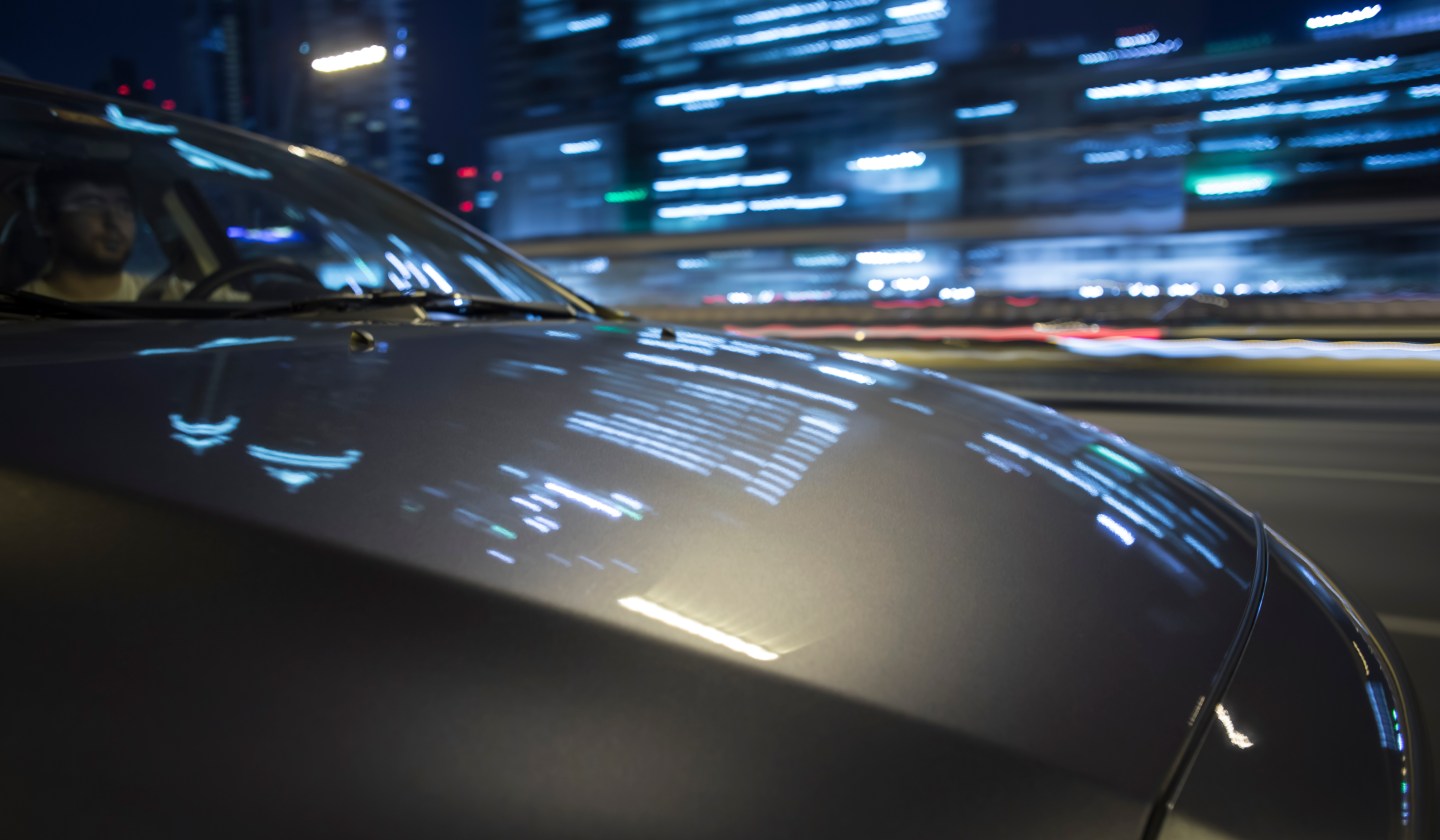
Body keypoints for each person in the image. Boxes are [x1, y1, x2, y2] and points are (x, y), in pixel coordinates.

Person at [18, 166, 245, 302]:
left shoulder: (170, 295)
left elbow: (250, 304)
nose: (113, 221)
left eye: (123, 207)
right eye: (90, 203)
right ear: (46, 219)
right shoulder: (18, 314)